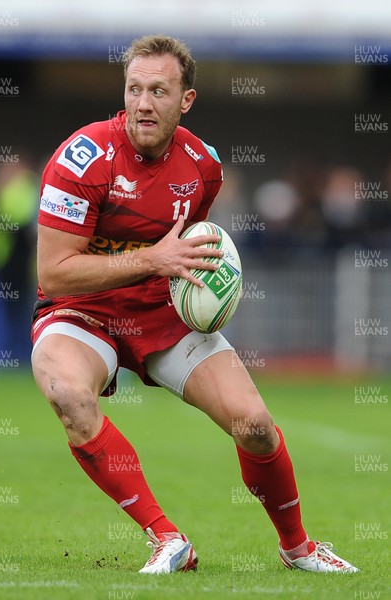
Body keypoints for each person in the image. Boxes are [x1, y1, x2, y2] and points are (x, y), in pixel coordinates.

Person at [31, 34, 358, 574]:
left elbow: (192, 246)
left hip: (161, 314)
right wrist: (152, 260)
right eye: (134, 89)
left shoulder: (204, 166)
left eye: (158, 91)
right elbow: (53, 273)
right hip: (81, 311)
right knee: (69, 394)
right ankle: (168, 539)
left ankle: (298, 548)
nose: (142, 103)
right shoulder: (83, 158)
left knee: (254, 422)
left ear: (186, 100)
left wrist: (207, 286)